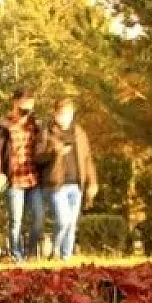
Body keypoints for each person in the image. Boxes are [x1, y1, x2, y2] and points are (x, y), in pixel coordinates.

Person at [36, 96, 98, 260]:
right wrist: (54, 152)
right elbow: (38, 157)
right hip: (56, 184)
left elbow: (87, 159)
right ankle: (55, 250)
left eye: (69, 113)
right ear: (55, 114)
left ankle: (66, 258)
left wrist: (92, 182)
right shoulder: (46, 132)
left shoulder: (79, 133)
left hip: (76, 184)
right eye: (62, 113)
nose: (65, 117)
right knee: (63, 220)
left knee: (71, 223)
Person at [0, 88, 45, 261]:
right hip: (14, 180)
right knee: (16, 221)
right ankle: (16, 255)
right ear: (15, 102)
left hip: (33, 177)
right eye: (24, 103)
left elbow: (43, 149)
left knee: (38, 218)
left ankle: (31, 252)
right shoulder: (3, 125)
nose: (27, 108)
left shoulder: (36, 125)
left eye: (30, 104)